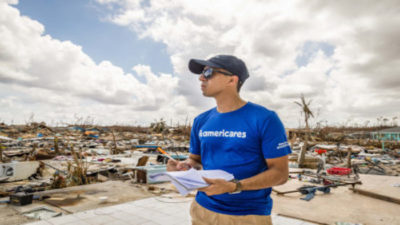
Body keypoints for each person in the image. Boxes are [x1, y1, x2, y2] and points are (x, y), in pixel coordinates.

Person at [167, 55, 291, 225]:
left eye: (208, 72)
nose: (201, 78)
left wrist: (235, 186)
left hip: (246, 215)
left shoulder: (264, 119)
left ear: (232, 80)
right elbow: (196, 160)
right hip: (202, 209)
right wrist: (185, 166)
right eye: (202, 73)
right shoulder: (201, 121)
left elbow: (280, 174)